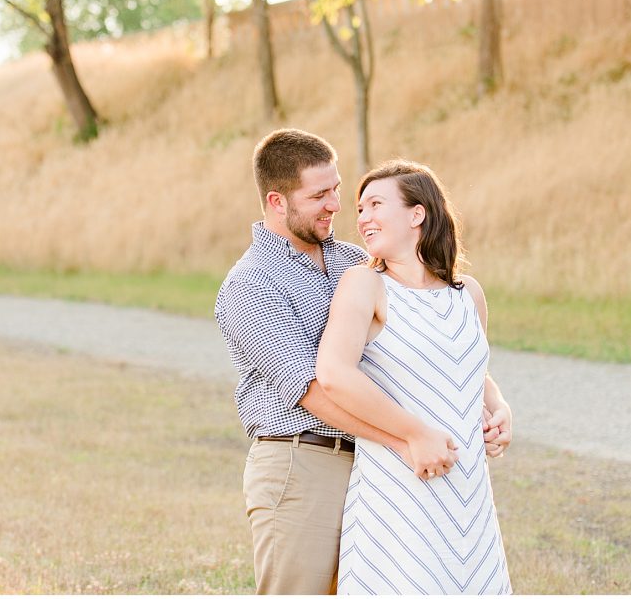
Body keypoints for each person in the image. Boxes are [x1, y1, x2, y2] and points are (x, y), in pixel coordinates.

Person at [215, 129, 511, 594]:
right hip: (302, 463)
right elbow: (313, 387)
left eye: (336, 190)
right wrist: (405, 438)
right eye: (319, 195)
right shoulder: (250, 284)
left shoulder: (357, 261)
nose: (337, 205)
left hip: (372, 462)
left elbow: (431, 356)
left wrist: (492, 407)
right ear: (277, 201)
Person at [316, 159, 512, 594]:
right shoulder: (365, 284)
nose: (362, 217)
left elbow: (468, 370)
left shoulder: (468, 294)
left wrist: (498, 408)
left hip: (468, 488)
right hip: (400, 482)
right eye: (360, 209)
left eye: (375, 204)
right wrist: (416, 434)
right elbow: (333, 374)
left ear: (417, 213)